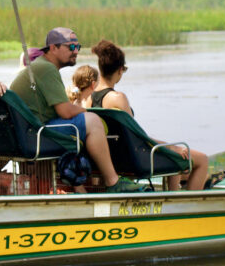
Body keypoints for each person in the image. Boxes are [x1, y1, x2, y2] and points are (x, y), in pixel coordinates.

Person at [9, 28, 141, 193]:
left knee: (86, 121)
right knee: (93, 121)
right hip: (34, 134)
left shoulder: (42, 67)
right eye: (71, 47)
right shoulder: (47, 69)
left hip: (28, 131)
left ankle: (82, 187)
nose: (76, 51)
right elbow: (65, 111)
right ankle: (112, 181)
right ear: (53, 48)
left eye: (78, 46)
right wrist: (86, 113)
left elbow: (62, 109)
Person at [89, 39, 216, 190]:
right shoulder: (118, 98)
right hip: (133, 160)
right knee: (201, 159)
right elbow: (138, 136)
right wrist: (172, 148)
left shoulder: (88, 100)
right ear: (120, 70)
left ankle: (173, 197)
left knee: (172, 152)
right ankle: (188, 206)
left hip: (107, 161)